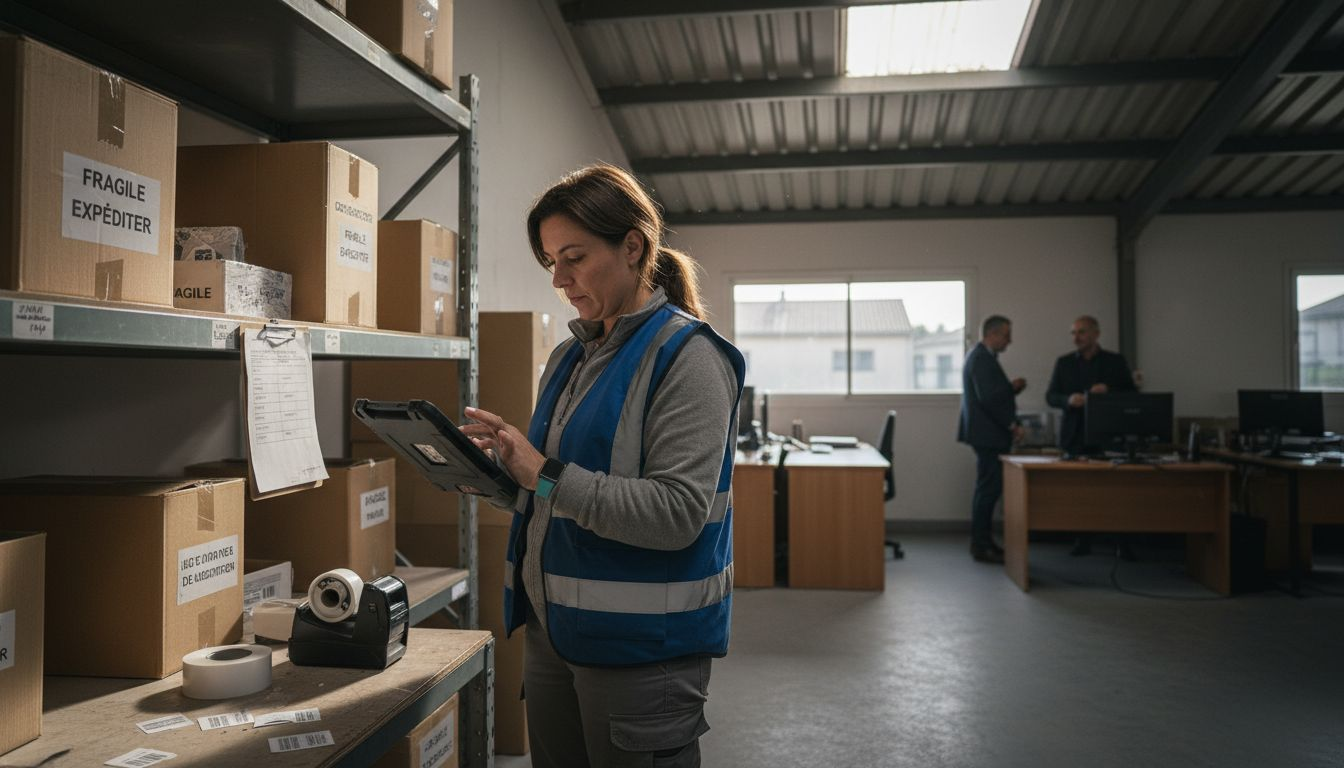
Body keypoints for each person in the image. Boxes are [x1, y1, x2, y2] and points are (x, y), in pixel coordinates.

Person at [460, 164, 744, 768]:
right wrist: (500, 475)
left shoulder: (689, 357)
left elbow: (676, 515)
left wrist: (542, 474)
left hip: (642, 649)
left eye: (574, 257)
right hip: (554, 632)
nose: (559, 279)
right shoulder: (570, 355)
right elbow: (553, 492)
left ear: (633, 246)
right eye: (550, 262)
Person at [1044, 315, 1137, 557]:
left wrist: (1108, 392)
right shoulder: (1064, 363)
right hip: (1075, 435)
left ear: (1096, 334)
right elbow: (1051, 396)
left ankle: (1122, 542)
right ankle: (1081, 540)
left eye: (1081, 332)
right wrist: (1068, 400)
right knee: (1079, 491)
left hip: (1109, 436)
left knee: (1117, 491)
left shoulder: (1114, 362)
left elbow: (1132, 394)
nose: (1076, 337)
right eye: (1073, 333)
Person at [957, 315, 1026, 564]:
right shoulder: (982, 359)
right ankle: (981, 545)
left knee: (987, 489)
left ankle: (983, 543)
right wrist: (1011, 421)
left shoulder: (981, 357)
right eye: (1006, 335)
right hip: (988, 435)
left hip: (985, 433)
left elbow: (990, 395)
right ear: (993, 334)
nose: (1009, 341)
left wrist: (1009, 389)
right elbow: (990, 399)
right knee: (988, 490)